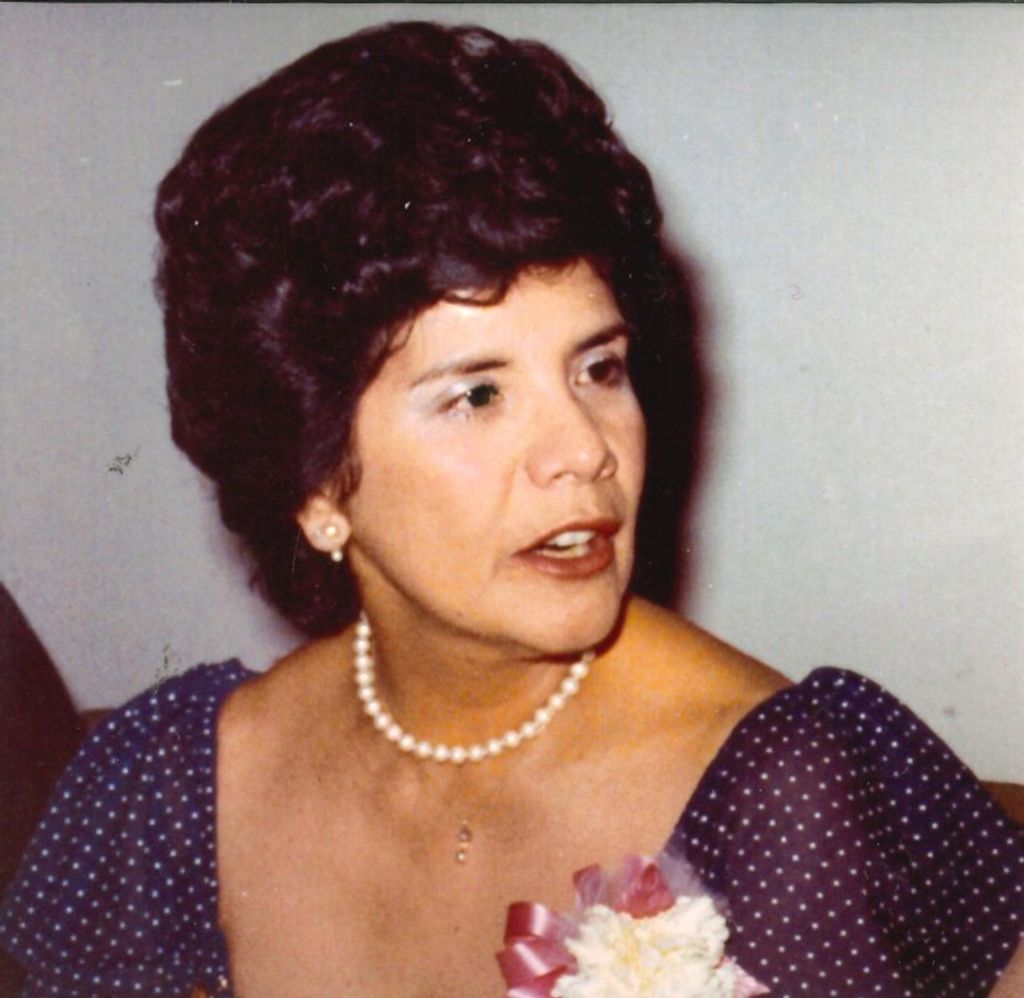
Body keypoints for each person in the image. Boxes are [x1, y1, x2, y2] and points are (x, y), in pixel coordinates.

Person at [1, 21, 1022, 998]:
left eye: (599, 367)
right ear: (312, 482)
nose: (584, 447)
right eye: (478, 394)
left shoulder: (785, 788)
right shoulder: (172, 786)